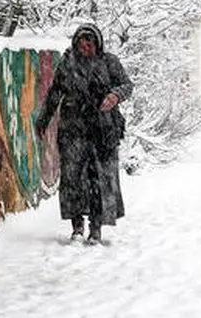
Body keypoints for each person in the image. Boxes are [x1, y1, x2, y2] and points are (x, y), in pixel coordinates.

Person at [35, 23, 133, 244]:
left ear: (97, 44)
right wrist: (44, 119)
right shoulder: (68, 64)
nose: (85, 47)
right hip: (72, 130)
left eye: (89, 43)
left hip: (102, 131)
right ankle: (76, 226)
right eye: (81, 43)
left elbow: (127, 85)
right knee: (72, 179)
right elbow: (55, 93)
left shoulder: (109, 63)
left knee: (99, 179)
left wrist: (114, 96)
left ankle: (96, 228)